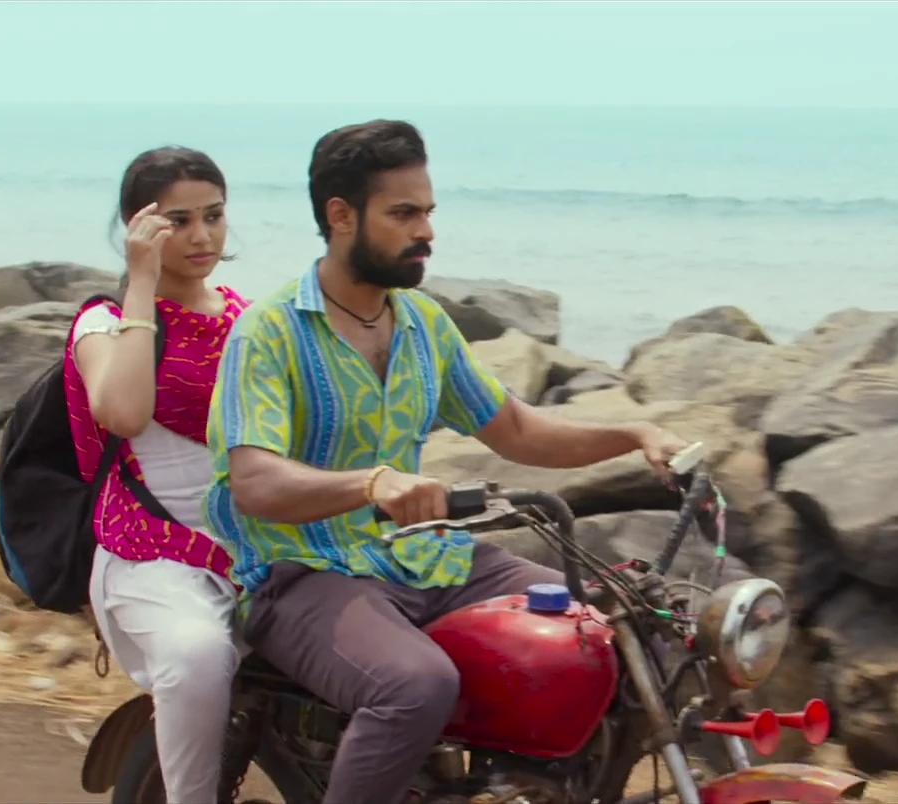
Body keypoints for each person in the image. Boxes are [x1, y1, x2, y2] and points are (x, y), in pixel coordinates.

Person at [203, 119, 690, 804]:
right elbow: (254, 482)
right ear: (341, 217)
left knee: (622, 626)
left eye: (428, 212)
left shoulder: (423, 324)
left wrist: (635, 433)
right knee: (415, 686)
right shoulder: (270, 332)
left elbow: (516, 430)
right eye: (403, 214)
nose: (426, 231)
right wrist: (372, 484)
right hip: (304, 571)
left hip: (426, 557)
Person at [65, 146, 250, 804]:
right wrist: (140, 282)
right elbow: (123, 412)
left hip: (256, 545)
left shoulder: (247, 319)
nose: (202, 236)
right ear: (139, 225)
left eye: (214, 216)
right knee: (197, 658)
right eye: (178, 221)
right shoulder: (104, 324)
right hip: (151, 558)